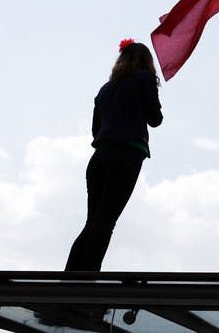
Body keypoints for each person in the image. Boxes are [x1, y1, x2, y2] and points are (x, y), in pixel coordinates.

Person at [65, 39, 163, 271]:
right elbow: (155, 119)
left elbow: (95, 130)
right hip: (127, 155)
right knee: (106, 221)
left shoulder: (105, 90)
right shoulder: (144, 80)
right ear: (145, 62)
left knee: (92, 221)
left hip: (99, 157)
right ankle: (87, 283)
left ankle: (70, 280)